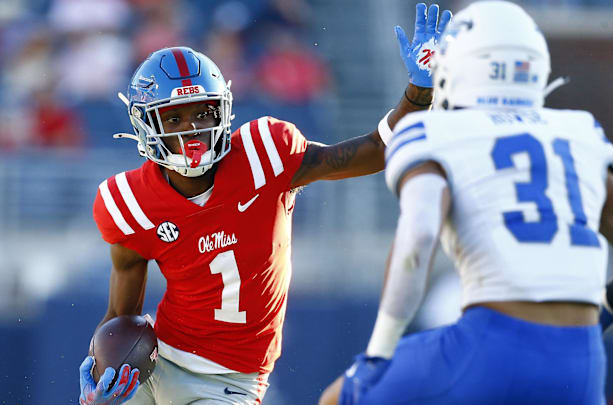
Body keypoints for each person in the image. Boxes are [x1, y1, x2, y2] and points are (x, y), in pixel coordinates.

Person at [77, 3, 452, 404]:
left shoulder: (264, 155)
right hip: (155, 364)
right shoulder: (129, 201)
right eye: (174, 119)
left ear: (223, 109)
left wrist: (419, 92)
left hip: (231, 381)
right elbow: (122, 315)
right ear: (146, 124)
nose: (192, 130)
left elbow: (375, 150)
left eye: (203, 113)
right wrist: (101, 370)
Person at [319, 2, 613, 404]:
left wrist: (378, 352)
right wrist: (601, 315)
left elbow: (417, 239)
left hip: (491, 343)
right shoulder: (579, 133)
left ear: (458, 68)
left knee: (337, 398)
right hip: (581, 362)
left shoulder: (435, 131)